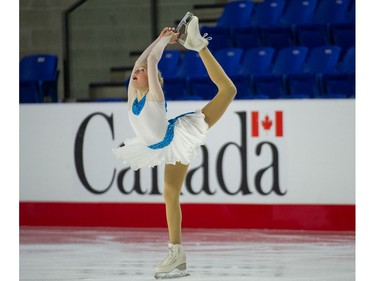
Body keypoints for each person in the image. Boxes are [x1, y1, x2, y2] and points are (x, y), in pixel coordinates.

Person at [113, 12, 237, 279]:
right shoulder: (133, 95)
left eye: (143, 72)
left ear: (157, 81)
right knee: (170, 194)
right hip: (163, 145)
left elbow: (153, 60)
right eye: (137, 71)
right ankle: (177, 255)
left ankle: (199, 46)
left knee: (228, 91)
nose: (138, 71)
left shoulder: (155, 96)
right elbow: (142, 59)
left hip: (178, 137)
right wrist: (159, 39)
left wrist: (163, 44)